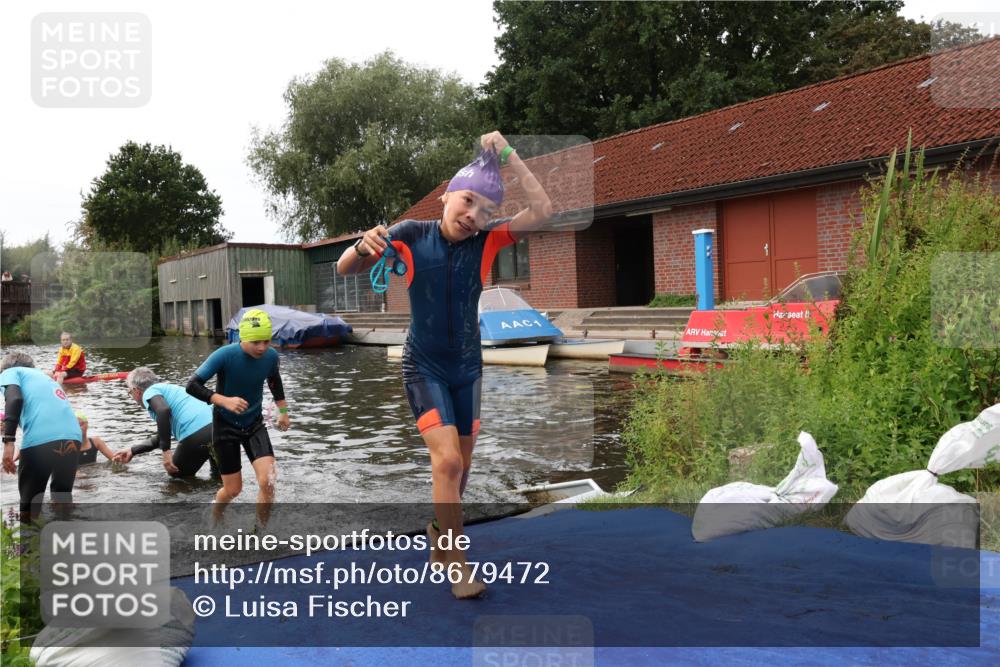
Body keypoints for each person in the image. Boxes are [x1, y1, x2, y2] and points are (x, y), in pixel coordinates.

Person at [336, 131, 553, 598]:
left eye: (486, 211)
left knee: (461, 471)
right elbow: (344, 268)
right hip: (425, 366)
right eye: (468, 201)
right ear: (447, 197)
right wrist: (364, 245)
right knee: (449, 461)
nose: (474, 215)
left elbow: (543, 210)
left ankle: (439, 532)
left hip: (468, 369)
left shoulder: (487, 241)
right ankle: (456, 562)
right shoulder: (412, 234)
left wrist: (510, 154)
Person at [186, 309, 290, 526]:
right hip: (225, 426)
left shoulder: (271, 357)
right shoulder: (225, 355)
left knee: (268, 480)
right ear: (243, 338)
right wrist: (223, 400)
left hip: (254, 424)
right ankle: (215, 516)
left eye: (266, 341)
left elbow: (274, 380)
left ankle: (260, 531)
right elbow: (192, 385)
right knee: (233, 490)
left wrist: (283, 411)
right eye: (255, 342)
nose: (262, 347)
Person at [0, 352, 84, 522]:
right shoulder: (45, 378)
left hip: (41, 439)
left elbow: (14, 399)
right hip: (73, 436)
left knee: (30, 506)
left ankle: (28, 537)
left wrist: (8, 442)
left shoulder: (11, 372)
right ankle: (65, 534)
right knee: (62, 499)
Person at [115, 367, 219, 478]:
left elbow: (163, 410)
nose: (132, 397)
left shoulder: (149, 392)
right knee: (220, 478)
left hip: (196, 433)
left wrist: (166, 452)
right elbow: (162, 436)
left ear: (136, 390)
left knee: (177, 476)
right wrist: (133, 450)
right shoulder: (171, 390)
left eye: (130, 392)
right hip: (218, 428)